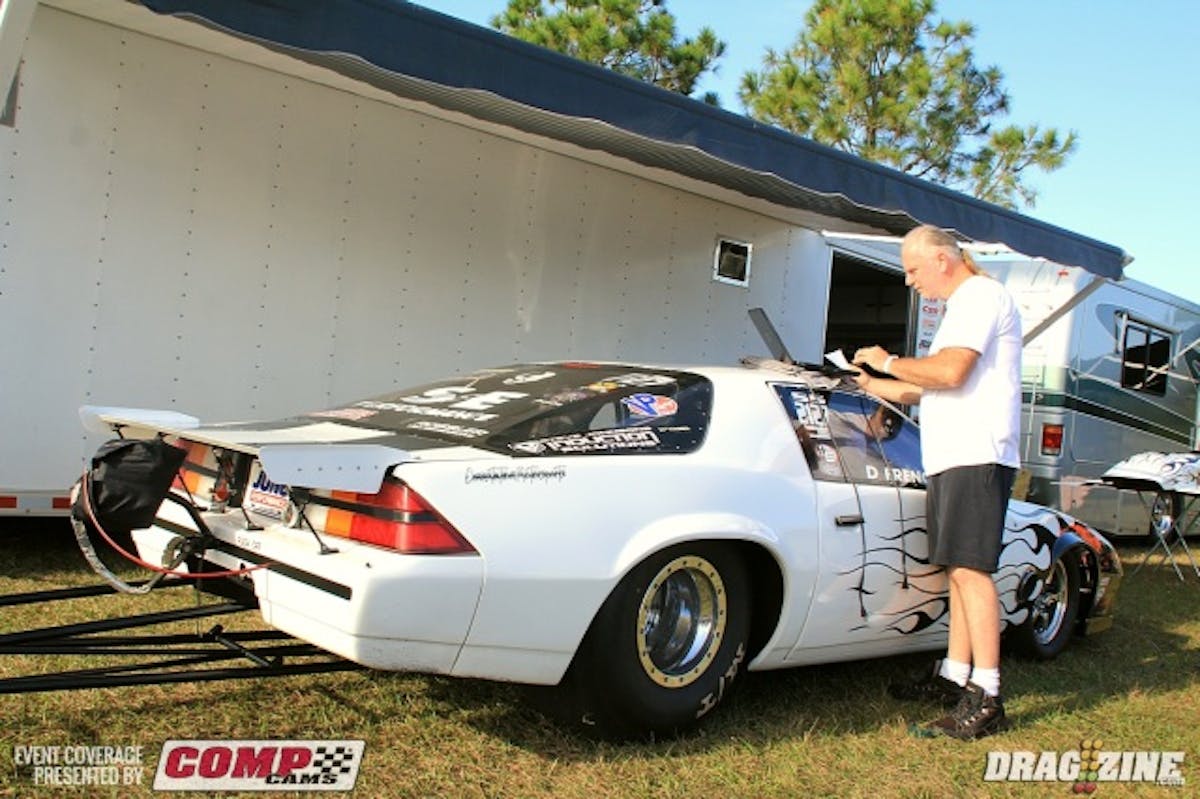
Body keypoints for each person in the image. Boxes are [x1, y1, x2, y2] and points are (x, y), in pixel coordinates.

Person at [852, 224, 1021, 741]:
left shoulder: (980, 296)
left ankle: (988, 695)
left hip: (978, 455)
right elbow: (933, 389)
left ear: (942, 260)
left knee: (972, 571)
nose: (909, 282)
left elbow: (949, 374)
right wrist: (874, 385)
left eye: (913, 270)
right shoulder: (961, 306)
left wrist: (887, 361)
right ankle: (954, 676)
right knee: (955, 570)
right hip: (951, 457)